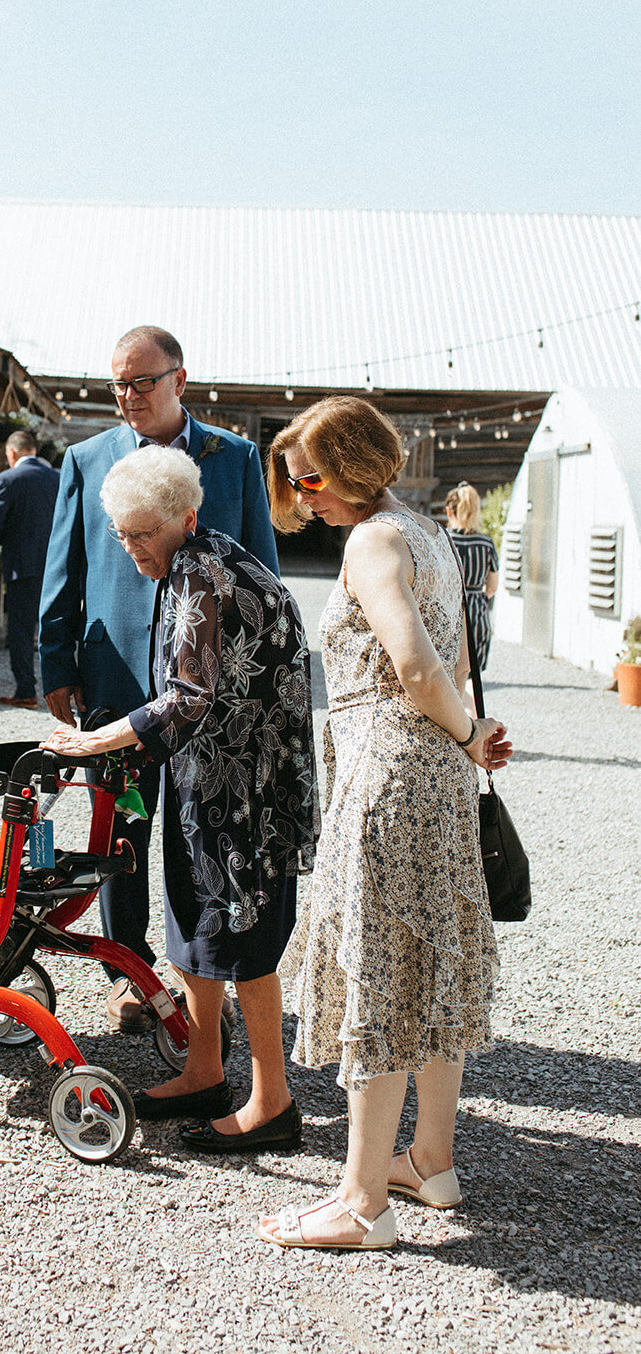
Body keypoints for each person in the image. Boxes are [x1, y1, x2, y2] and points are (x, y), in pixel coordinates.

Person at [257, 397, 511, 1251]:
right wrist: (467, 738)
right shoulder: (427, 530)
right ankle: (430, 1159)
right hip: (435, 775)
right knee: (429, 958)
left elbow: (411, 661)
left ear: (355, 467)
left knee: (378, 967)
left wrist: (468, 731)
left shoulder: (371, 540)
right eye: (295, 484)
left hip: (390, 775)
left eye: (313, 479)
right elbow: (462, 656)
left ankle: (362, 1202)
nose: (303, 498)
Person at [42, 448, 319, 1149]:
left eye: (142, 533)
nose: (131, 548)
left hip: (243, 791)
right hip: (214, 777)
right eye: (122, 534)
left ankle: (272, 1104)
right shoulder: (192, 559)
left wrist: (95, 741)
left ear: (184, 517)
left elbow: (190, 697)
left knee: (242, 943)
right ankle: (202, 1071)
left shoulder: (201, 571)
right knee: (194, 929)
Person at [39, 325, 280, 1033]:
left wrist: (254, 680)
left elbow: (258, 577)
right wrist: (55, 662)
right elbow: (65, 570)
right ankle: (125, 975)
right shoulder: (86, 460)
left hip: (204, 690)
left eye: (141, 382)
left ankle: (206, 975)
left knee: (203, 833)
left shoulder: (231, 459)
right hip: (113, 673)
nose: (127, 397)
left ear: (180, 379)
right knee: (120, 833)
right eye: (116, 384)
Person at [0, 429, 59, 707]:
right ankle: (61, 689)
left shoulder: (8, 480)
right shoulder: (58, 478)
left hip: (22, 566)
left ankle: (26, 690)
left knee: (20, 630)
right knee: (56, 629)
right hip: (57, 566)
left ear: (11, 452)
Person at [445, 482, 499, 672]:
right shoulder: (487, 544)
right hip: (477, 614)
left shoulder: (443, 539)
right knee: (471, 679)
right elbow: (492, 588)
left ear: (449, 512)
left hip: (447, 613)